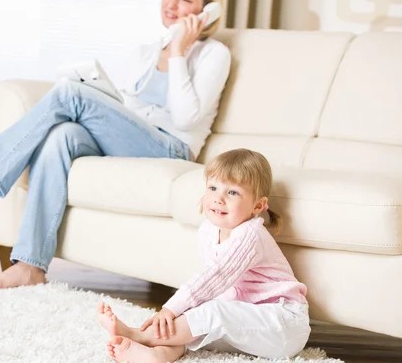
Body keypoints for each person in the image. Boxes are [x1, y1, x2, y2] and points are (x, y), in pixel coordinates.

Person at [0, 0, 231, 289]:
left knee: (68, 94)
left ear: (207, 10)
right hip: (132, 140)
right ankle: (30, 266)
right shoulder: (145, 52)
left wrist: (178, 53)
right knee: (60, 136)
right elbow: (125, 107)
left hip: (172, 147)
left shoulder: (214, 54)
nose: (171, 4)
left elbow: (187, 118)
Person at [97, 148, 311, 362]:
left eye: (232, 192)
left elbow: (216, 275)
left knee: (212, 312)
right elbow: (210, 290)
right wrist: (182, 312)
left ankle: (139, 335)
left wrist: (171, 308)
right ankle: (157, 355)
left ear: (258, 206)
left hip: (282, 324)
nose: (219, 199)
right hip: (246, 322)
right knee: (192, 323)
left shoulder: (251, 234)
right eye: (213, 188)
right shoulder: (208, 230)